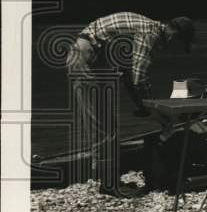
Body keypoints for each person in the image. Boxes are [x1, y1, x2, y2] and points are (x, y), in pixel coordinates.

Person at [66, 12, 195, 197]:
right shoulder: (150, 34)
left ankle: (109, 180)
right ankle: (109, 185)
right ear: (174, 35)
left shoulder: (147, 30)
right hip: (86, 57)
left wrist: (143, 107)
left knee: (107, 124)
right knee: (103, 125)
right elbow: (139, 79)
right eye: (178, 45)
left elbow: (129, 78)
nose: (172, 50)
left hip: (92, 56)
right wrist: (156, 110)